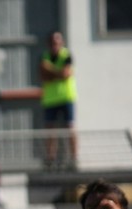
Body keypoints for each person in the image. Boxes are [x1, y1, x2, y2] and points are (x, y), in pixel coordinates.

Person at [39, 31, 78, 171]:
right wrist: (58, 73)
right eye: (52, 43)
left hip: (66, 97)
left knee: (70, 127)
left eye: (57, 42)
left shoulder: (66, 55)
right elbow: (43, 75)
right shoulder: (45, 56)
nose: (54, 45)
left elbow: (66, 74)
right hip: (50, 99)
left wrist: (51, 72)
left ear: (61, 43)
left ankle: (74, 159)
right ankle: (50, 159)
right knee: (50, 130)